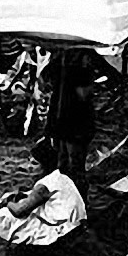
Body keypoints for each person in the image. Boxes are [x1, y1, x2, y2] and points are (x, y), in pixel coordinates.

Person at [0, 142, 86, 247]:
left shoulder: (44, 186)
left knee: (7, 217)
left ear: (44, 166)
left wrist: (8, 203)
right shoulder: (60, 176)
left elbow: (19, 211)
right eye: (30, 161)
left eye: (35, 163)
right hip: (76, 223)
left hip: (64, 230)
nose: (29, 166)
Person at [43, 50, 96, 200]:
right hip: (75, 121)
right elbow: (83, 93)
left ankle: (64, 198)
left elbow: (44, 79)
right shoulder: (82, 62)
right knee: (75, 165)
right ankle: (77, 202)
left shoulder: (60, 59)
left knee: (64, 162)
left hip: (60, 119)